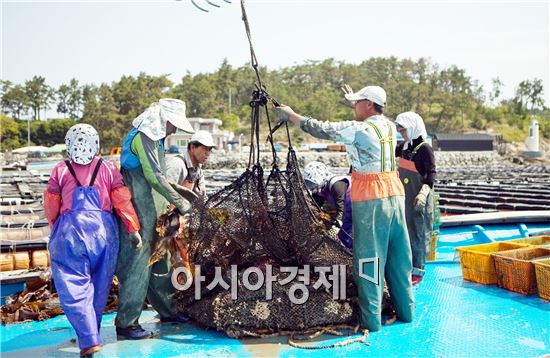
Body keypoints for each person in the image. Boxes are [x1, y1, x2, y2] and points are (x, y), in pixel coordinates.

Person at [274, 85, 414, 332]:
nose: (353, 106)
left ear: (369, 104)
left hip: (371, 198)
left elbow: (323, 128)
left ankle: (372, 323)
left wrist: (292, 115)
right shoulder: (390, 127)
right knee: (399, 258)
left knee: (370, 260)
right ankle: (406, 313)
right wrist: (352, 98)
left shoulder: (360, 129)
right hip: (395, 195)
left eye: (357, 102)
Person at [44, 124, 142, 356]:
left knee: (73, 284)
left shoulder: (61, 169)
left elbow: (51, 203)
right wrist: (133, 228)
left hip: (70, 233)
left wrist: (55, 226)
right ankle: (91, 334)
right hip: (104, 234)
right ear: (96, 144)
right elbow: (122, 200)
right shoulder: (108, 168)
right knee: (99, 285)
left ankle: (88, 337)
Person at [115, 98, 195, 339]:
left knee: (161, 262)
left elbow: (160, 175)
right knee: (138, 263)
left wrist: (184, 194)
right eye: (173, 125)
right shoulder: (144, 137)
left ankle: (168, 311)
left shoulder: (158, 140)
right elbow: (152, 176)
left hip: (155, 210)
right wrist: (182, 203)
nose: (174, 130)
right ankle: (127, 323)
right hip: (138, 210)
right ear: (164, 120)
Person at [395, 112, 436, 285]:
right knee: (406, 231)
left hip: (419, 199)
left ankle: (418, 271)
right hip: (405, 197)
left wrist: (423, 192)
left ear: (413, 128)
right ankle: (405, 266)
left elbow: (431, 174)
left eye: (404, 130)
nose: (402, 133)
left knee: (419, 233)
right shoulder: (404, 147)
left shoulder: (425, 149)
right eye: (400, 130)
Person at [303, 161, 353, 249]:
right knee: (343, 239)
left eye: (312, 184)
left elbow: (341, 208)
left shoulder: (336, 184)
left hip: (360, 209)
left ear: (320, 178)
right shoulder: (319, 190)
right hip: (348, 215)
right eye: (308, 184)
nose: (311, 187)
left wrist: (336, 223)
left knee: (352, 237)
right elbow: (315, 207)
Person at [165, 130, 216, 198]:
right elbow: (164, 192)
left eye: (209, 149)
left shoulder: (198, 169)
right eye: (204, 148)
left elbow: (202, 196)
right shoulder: (177, 164)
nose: (208, 153)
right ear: (192, 147)